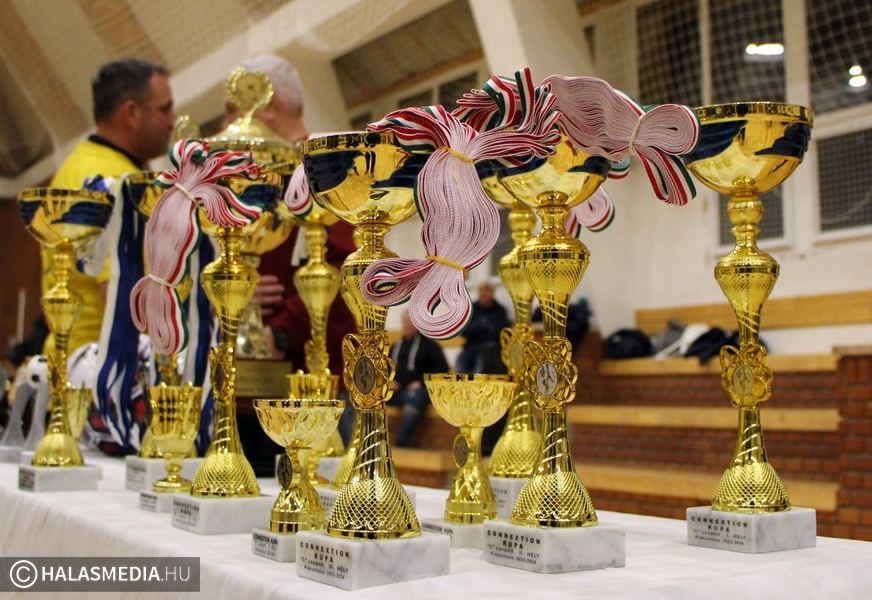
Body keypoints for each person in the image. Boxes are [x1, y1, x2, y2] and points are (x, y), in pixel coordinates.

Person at [223, 56, 358, 456]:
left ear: (266, 105)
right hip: (253, 378)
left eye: (233, 108)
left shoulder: (324, 167)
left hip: (315, 383)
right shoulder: (250, 174)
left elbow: (344, 267)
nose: (227, 123)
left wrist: (281, 332)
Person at [44, 57, 176, 356]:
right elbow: (123, 294)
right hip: (108, 367)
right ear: (131, 113)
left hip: (76, 358)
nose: (172, 121)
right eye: (164, 109)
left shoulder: (78, 165)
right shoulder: (112, 180)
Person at [388, 311, 449, 447]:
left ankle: (401, 442)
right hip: (397, 392)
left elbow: (442, 367)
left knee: (414, 401)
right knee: (374, 398)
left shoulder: (429, 346)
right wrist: (390, 381)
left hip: (418, 392)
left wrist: (421, 382)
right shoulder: (396, 346)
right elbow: (385, 369)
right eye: (405, 322)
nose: (408, 325)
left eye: (411, 322)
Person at [455, 280, 510, 375]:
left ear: (492, 292)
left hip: (491, 349)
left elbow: (500, 333)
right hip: (471, 346)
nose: (483, 293)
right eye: (481, 290)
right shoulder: (470, 309)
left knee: (480, 367)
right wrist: (485, 327)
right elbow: (464, 331)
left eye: (486, 290)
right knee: (461, 363)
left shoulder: (500, 311)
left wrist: (477, 328)